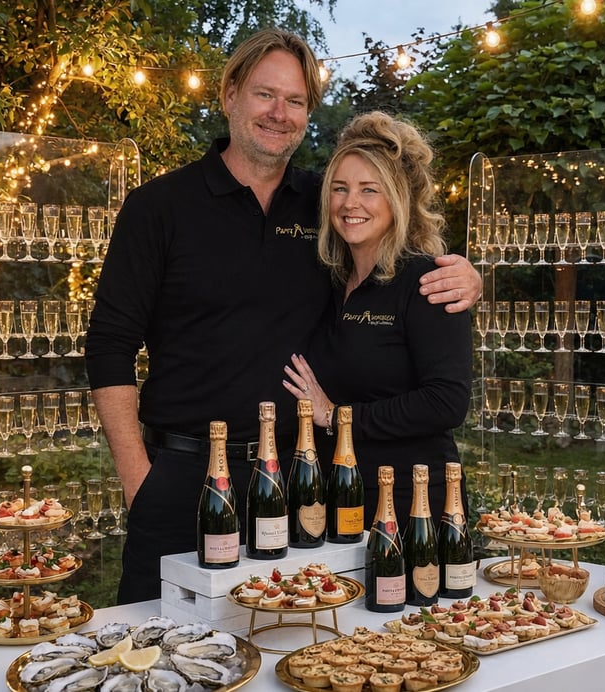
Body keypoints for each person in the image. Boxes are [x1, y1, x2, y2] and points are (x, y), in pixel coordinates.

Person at [85, 28, 481, 605]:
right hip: (182, 477)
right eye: (265, 94)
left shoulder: (323, 204)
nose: (280, 113)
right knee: (155, 633)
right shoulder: (159, 207)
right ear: (229, 94)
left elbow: (390, 242)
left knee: (292, 635)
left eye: (295, 100)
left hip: (301, 482)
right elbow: (108, 346)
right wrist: (137, 479)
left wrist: (465, 275)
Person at [282, 111, 472, 529]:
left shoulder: (427, 281)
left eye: (370, 190)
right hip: (337, 494)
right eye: (340, 188)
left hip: (411, 504)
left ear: (397, 199)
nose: (350, 203)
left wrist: (337, 415)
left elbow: (447, 401)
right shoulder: (329, 280)